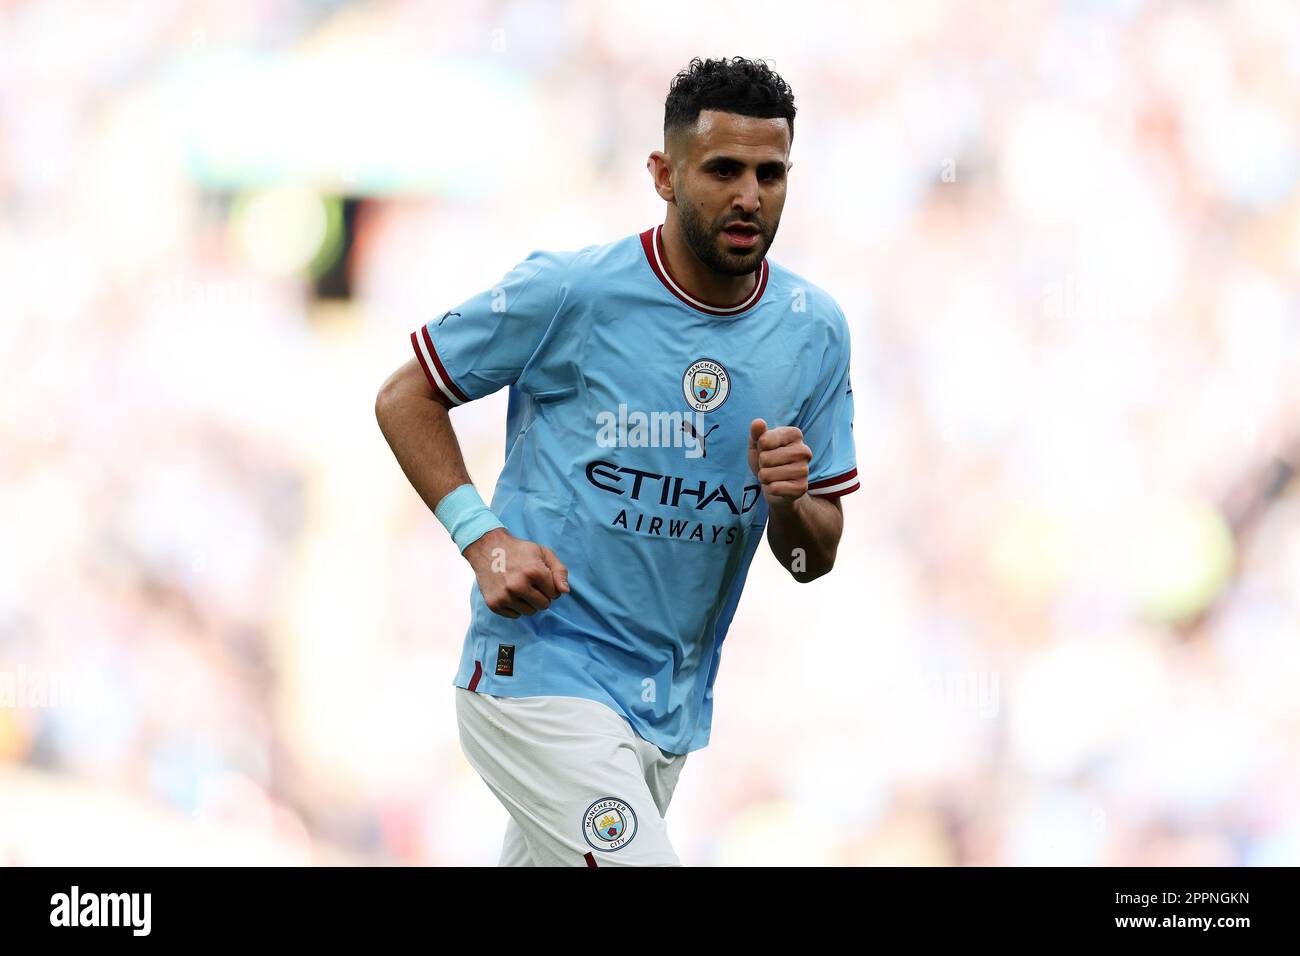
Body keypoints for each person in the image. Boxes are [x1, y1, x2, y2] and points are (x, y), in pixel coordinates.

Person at [376, 56, 858, 866]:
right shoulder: (572, 292)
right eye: (723, 170)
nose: (749, 195)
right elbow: (405, 396)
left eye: (770, 173)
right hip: (537, 671)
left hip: (664, 708)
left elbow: (812, 559)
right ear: (664, 175)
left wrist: (788, 504)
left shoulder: (814, 330)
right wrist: (484, 540)